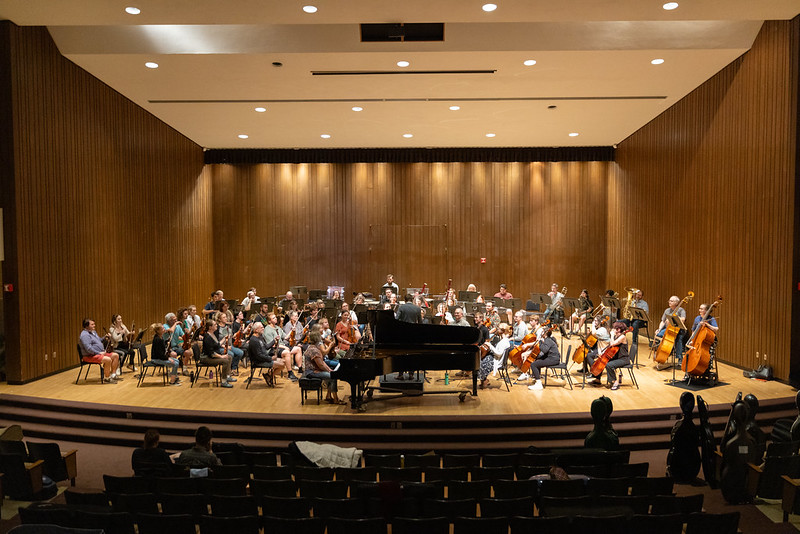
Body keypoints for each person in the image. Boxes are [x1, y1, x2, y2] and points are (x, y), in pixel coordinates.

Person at [304, 325, 345, 404]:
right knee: (333, 376)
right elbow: (321, 365)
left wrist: (329, 370)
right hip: (311, 372)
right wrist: (329, 371)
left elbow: (322, 362)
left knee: (332, 374)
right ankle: (335, 399)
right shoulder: (314, 350)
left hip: (315, 370)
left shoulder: (314, 347)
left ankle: (329, 396)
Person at [587, 321, 630, 390]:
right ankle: (598, 379)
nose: (612, 329)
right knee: (602, 361)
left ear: (618, 329)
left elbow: (612, 344)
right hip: (617, 358)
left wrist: (612, 335)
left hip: (623, 359)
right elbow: (610, 345)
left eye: (614, 328)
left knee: (609, 365)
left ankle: (615, 382)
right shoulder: (617, 336)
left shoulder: (622, 337)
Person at [79, 318, 121, 382]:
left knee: (115, 355)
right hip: (89, 356)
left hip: (98, 353)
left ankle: (113, 375)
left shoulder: (93, 332)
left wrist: (105, 337)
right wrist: (98, 353)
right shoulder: (85, 335)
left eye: (94, 324)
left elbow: (99, 340)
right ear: (87, 326)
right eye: (92, 324)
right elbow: (88, 349)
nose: (94, 325)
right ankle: (107, 378)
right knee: (108, 359)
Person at [263, 312, 301, 380]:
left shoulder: (277, 327)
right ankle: (290, 373)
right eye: (273, 318)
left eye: (275, 317)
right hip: (273, 350)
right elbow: (272, 344)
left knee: (298, 349)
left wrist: (292, 330)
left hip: (281, 346)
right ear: (269, 321)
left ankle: (300, 369)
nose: (275, 319)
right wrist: (284, 347)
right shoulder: (267, 330)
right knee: (286, 352)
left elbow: (285, 337)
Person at [200, 319, 235, 388]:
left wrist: (225, 338)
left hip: (212, 356)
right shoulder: (207, 337)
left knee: (229, 357)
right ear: (210, 327)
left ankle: (227, 376)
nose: (217, 326)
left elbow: (217, 345)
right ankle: (223, 381)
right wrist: (221, 357)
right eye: (215, 325)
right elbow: (211, 353)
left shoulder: (213, 334)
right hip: (206, 358)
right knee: (225, 361)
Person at [655, 295, 688, 364]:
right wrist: (659, 329)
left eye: (671, 301)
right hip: (668, 329)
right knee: (659, 334)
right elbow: (663, 321)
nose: (669, 302)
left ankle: (680, 358)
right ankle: (666, 351)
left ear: (676, 303)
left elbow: (683, 319)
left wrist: (673, 318)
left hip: (679, 330)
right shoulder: (667, 310)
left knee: (678, 339)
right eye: (669, 300)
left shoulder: (681, 310)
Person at [478, 323, 512, 389]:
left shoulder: (504, 341)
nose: (496, 330)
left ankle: (484, 380)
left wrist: (490, 346)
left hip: (497, 361)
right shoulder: (503, 340)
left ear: (503, 331)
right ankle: (484, 380)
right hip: (495, 358)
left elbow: (499, 354)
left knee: (480, 363)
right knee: (480, 361)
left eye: (498, 328)